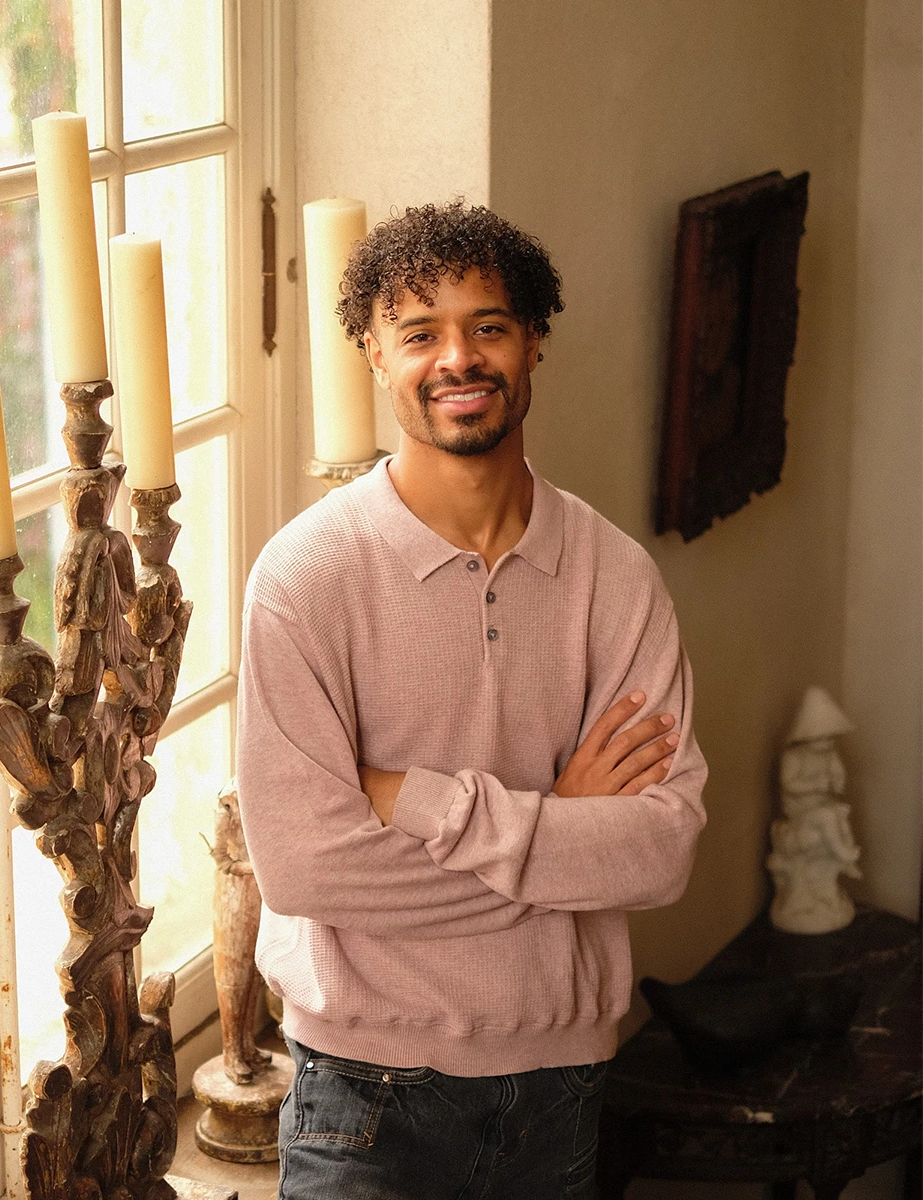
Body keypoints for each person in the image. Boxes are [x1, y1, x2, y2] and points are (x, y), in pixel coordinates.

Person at [235, 201, 708, 1199]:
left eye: (488, 325)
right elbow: (307, 869)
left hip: (557, 1078)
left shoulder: (616, 581)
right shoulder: (306, 580)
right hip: (357, 1092)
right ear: (375, 354)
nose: (460, 358)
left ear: (533, 342)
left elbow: (660, 849)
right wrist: (562, 831)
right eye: (421, 333)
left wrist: (416, 801)